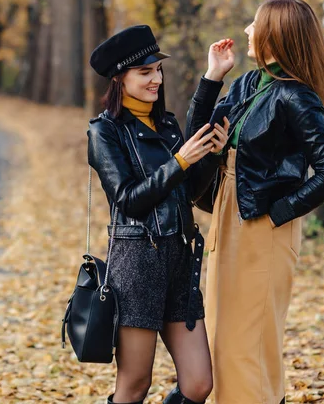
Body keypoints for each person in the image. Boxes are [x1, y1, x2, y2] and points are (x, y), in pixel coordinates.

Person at [186, 0, 324, 404]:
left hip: (264, 228)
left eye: (255, 24)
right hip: (228, 216)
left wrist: (279, 213)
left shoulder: (297, 97)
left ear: (276, 35)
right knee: (222, 342)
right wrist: (212, 78)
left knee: (249, 345)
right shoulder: (246, 84)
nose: (246, 30)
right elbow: (194, 141)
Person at [88, 25, 229, 404]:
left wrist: (211, 153)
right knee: (135, 384)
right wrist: (180, 161)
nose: (156, 79)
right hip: (137, 264)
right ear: (120, 79)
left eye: (158, 70)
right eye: (145, 72)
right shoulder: (105, 132)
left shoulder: (165, 125)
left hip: (180, 260)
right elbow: (128, 199)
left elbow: (188, 192)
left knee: (199, 384)